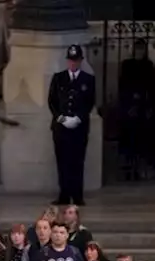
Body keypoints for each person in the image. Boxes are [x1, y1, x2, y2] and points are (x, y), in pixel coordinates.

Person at [47, 45, 95, 206]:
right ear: (67, 61)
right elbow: (52, 101)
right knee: (62, 161)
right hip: (61, 127)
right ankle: (64, 195)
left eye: (76, 60)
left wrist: (78, 118)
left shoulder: (88, 79)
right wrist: (61, 118)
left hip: (79, 128)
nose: (73, 64)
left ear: (81, 61)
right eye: (71, 60)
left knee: (77, 161)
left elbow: (90, 102)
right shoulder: (58, 78)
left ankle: (77, 195)